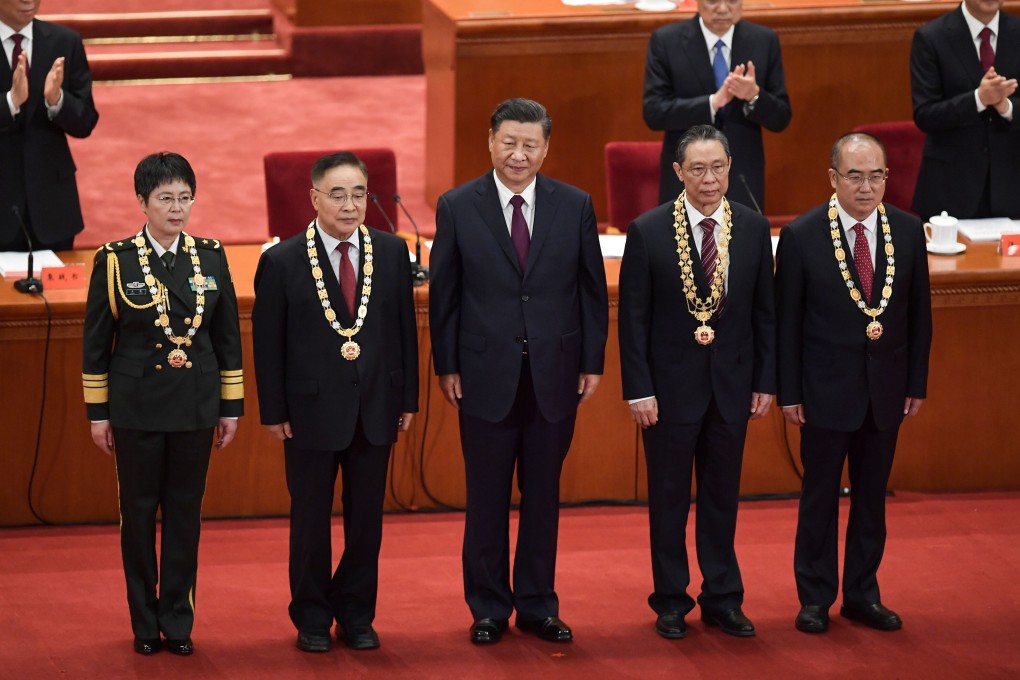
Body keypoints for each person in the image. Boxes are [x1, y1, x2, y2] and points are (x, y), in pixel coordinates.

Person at [429, 98, 608, 645]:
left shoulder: (573, 204)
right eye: (509, 142)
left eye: (530, 144)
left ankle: (537, 604)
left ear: (546, 148)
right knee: (485, 498)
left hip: (555, 374)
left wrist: (592, 361)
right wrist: (448, 364)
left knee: (543, 497)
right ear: (490, 141)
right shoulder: (458, 205)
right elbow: (445, 295)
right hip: (484, 374)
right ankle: (488, 606)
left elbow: (591, 290)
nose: (518, 154)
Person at [252, 151, 418, 654]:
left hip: (375, 407)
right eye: (338, 194)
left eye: (359, 194)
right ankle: (312, 616)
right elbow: (268, 343)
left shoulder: (391, 252)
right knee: (310, 521)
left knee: (367, 520)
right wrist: (275, 410)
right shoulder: (281, 260)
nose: (350, 205)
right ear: (314, 198)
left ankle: (356, 612)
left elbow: (405, 331)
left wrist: (406, 396)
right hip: (308, 412)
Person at [82, 152, 244, 656]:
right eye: (166, 199)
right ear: (142, 203)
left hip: (194, 406)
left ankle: (177, 618)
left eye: (184, 198)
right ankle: (143, 620)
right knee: (137, 515)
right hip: (136, 407)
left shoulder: (212, 256)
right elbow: (95, 344)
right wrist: (98, 413)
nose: (178, 209)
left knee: (184, 514)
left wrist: (231, 405)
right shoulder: (115, 260)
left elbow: (227, 339)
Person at [618, 125, 775, 641]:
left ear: (731, 167)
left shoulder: (753, 228)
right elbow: (633, 319)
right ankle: (669, 599)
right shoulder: (648, 230)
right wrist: (638, 389)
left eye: (719, 167)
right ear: (678, 172)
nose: (710, 179)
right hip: (667, 393)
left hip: (732, 386)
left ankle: (723, 598)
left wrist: (765, 381)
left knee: (721, 498)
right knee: (667, 501)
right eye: (699, 169)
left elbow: (764, 315)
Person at [775, 133, 933, 634]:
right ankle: (815, 597)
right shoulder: (801, 235)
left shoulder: (908, 232)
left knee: (871, 498)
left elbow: (920, 317)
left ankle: (862, 593)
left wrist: (916, 382)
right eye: (855, 176)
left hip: (885, 389)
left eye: (877, 176)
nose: (867, 187)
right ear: (834, 178)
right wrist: (790, 391)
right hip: (823, 391)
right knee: (819, 497)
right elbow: (787, 323)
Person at [643, 0, 791, 212]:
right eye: (713, 1)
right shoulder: (666, 41)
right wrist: (712, 103)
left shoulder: (764, 40)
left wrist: (754, 96)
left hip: (742, 177)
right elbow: (654, 112)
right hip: (685, 179)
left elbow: (781, 117)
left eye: (731, 1)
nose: (722, 9)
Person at [1, 0, 99, 251]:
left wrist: (57, 101)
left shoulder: (65, 42)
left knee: (56, 290)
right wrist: (11, 101)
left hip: (52, 207)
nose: (29, 1)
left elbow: (85, 121)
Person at [910, 0, 1020, 220]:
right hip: (951, 188)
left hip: (1012, 183)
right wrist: (979, 99)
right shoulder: (931, 37)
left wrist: (1005, 105)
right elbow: (925, 114)